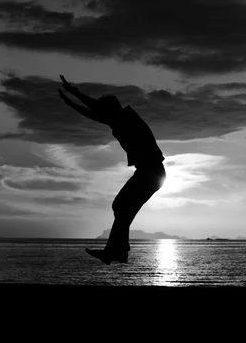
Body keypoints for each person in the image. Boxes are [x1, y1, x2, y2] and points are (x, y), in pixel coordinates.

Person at [57, 75, 166, 265]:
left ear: (111, 111)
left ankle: (115, 252)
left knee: (122, 208)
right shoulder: (121, 117)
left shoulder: (125, 119)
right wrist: (74, 94)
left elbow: (95, 113)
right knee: (122, 209)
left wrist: (72, 101)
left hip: (151, 173)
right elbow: (97, 110)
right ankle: (119, 252)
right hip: (149, 173)